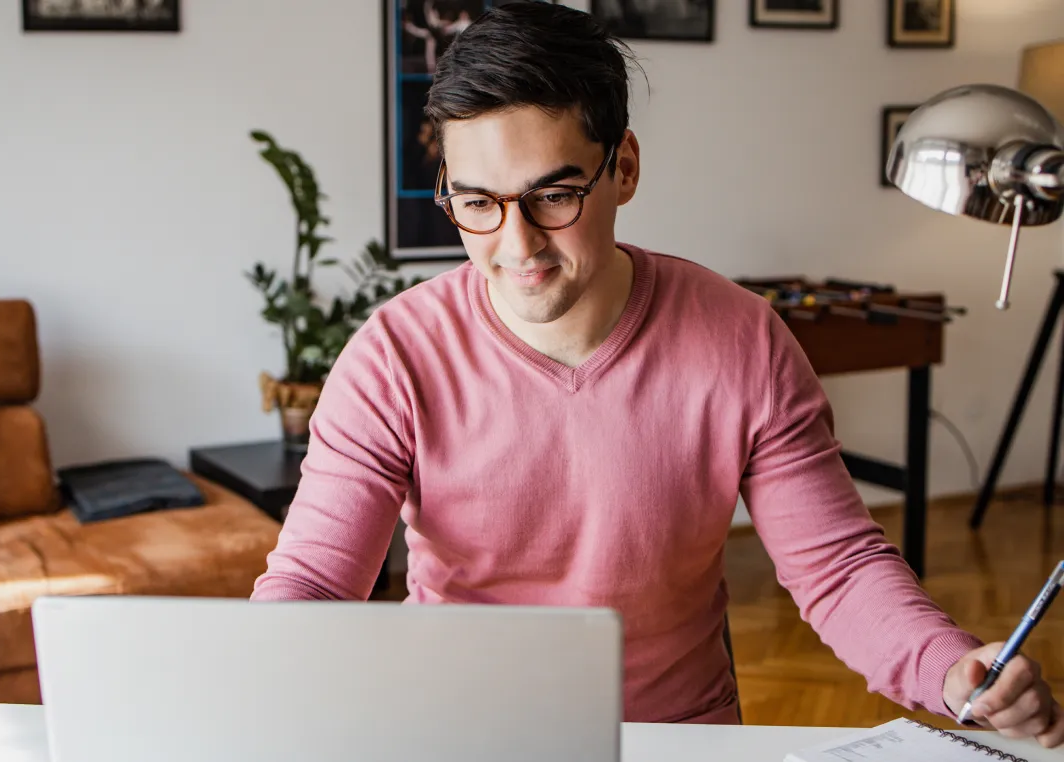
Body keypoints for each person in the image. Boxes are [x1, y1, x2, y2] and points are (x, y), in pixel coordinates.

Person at [251, 2, 1063, 746]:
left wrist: (949, 667)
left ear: (625, 168)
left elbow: (838, 567)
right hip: (464, 731)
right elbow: (317, 581)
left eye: (554, 195)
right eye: (477, 203)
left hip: (682, 737)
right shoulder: (394, 356)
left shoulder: (743, 338)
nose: (517, 244)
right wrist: (249, 687)